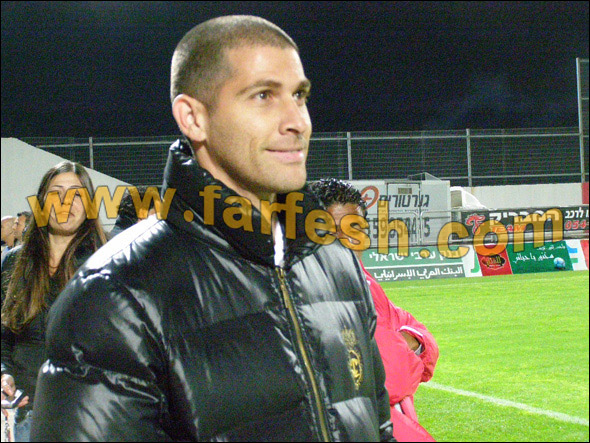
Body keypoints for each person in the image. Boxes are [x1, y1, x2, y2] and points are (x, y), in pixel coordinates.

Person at [31, 15, 394, 441]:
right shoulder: (114, 296)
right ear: (193, 118)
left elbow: (378, 426)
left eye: (299, 95)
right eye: (263, 96)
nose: (297, 121)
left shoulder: (334, 260)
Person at [310, 178, 439, 442]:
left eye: (355, 228)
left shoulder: (364, 281)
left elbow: (424, 341)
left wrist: (413, 343)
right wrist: (408, 347)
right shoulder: (313, 290)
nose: (347, 239)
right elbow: (393, 379)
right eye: (333, 230)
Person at [1, 161, 108, 441]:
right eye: (56, 193)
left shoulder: (108, 263)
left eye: (76, 194)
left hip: (84, 419)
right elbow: (3, 337)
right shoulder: (14, 262)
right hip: (21, 417)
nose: (65, 202)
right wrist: (3, 375)